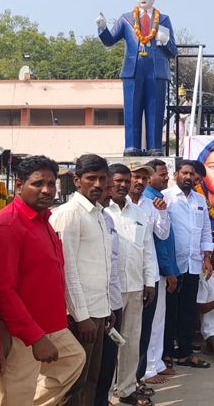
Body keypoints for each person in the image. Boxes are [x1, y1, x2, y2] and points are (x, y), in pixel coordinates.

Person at [0, 156, 85, 406]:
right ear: (18, 186)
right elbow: (4, 290)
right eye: (38, 183)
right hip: (21, 330)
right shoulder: (8, 225)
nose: (46, 190)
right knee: (17, 392)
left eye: (51, 184)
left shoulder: (43, 220)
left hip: (50, 322)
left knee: (74, 359)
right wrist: (34, 336)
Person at [49, 154, 114, 406]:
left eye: (101, 178)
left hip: (98, 310)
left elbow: (100, 265)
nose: (97, 184)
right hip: (80, 315)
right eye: (91, 178)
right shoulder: (68, 214)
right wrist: (81, 316)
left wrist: (106, 308)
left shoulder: (98, 213)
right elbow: (67, 269)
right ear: (77, 181)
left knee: (91, 379)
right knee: (74, 381)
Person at [96, 0, 177, 156]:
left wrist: (165, 40)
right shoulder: (126, 19)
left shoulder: (163, 19)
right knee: (132, 108)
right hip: (133, 69)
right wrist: (102, 28)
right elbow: (110, 41)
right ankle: (132, 147)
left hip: (157, 70)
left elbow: (173, 51)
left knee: (155, 109)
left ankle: (155, 147)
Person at [105, 164, 157, 406]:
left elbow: (147, 250)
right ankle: (103, 395)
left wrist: (150, 282)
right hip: (108, 291)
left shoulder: (137, 214)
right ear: (109, 181)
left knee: (131, 340)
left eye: (127, 180)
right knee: (108, 346)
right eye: (119, 180)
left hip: (135, 287)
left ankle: (126, 389)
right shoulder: (103, 212)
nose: (124, 185)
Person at [162, 160, 214, 368]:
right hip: (172, 267)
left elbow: (205, 230)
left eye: (192, 174)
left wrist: (207, 257)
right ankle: (165, 354)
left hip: (193, 265)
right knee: (168, 312)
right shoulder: (165, 198)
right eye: (185, 173)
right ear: (176, 174)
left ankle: (184, 353)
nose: (189, 177)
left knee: (188, 311)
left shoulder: (200, 199)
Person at [126, 162, 170, 393]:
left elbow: (162, 234)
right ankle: (123, 382)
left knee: (146, 327)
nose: (140, 182)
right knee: (126, 331)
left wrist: (162, 212)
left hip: (148, 275)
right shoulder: (116, 205)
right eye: (136, 177)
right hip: (124, 277)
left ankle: (141, 375)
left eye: (144, 178)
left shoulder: (150, 205)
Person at [140, 160, 180, 385]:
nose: (166, 178)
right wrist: (169, 269)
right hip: (154, 270)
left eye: (166, 174)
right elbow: (158, 242)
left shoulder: (159, 199)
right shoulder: (149, 200)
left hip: (160, 269)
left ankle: (157, 363)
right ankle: (148, 368)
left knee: (159, 319)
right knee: (152, 321)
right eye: (162, 174)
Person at [94, 172, 124, 406]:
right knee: (91, 369)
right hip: (93, 306)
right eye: (107, 187)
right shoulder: (73, 217)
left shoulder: (108, 218)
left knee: (108, 362)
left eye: (110, 187)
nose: (109, 192)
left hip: (113, 300)